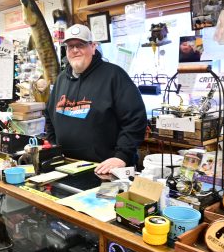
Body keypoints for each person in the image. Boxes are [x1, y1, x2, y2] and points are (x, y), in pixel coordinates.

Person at [44, 24, 147, 175]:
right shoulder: (61, 79)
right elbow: (49, 115)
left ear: (93, 47)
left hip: (106, 169)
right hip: (67, 166)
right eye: (70, 46)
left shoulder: (114, 76)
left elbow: (136, 120)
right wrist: (54, 145)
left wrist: (121, 156)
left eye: (80, 45)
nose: (74, 50)